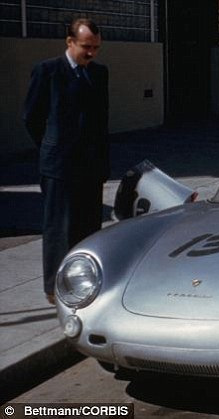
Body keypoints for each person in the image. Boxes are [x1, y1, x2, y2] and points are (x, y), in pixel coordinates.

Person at [23, 18, 109, 305]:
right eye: (86, 47)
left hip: (90, 166)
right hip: (59, 167)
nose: (91, 53)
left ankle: (84, 283)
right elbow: (31, 118)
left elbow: (101, 121)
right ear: (69, 42)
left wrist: (102, 162)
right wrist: (51, 146)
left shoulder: (99, 74)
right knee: (59, 230)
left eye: (96, 48)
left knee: (88, 229)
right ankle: (54, 288)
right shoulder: (48, 71)